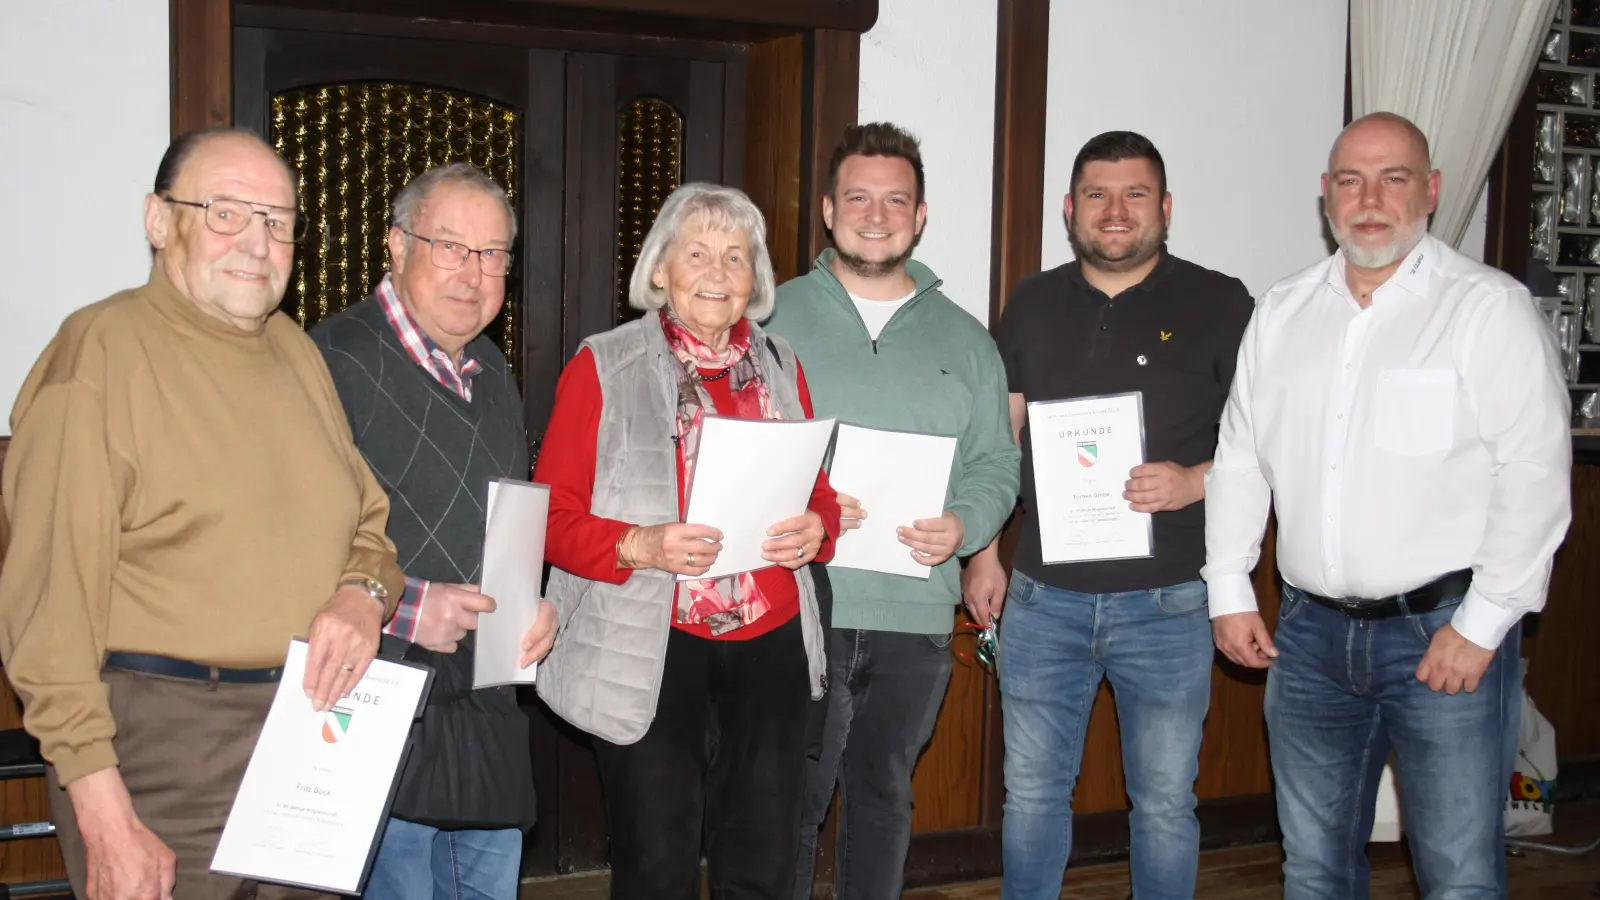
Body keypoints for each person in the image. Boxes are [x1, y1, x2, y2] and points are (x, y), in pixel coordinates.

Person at [0, 127, 406, 900]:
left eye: (279, 220)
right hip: (161, 748)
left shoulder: (295, 352)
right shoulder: (98, 356)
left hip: (307, 734)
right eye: (226, 213)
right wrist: (104, 812)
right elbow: (47, 618)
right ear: (159, 221)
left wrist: (362, 595)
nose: (258, 242)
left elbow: (368, 523)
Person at [1205, 112, 1572, 899]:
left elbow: (1536, 476)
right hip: (1306, 642)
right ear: (1326, 196)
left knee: (1458, 875)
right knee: (1313, 867)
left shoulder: (1487, 308)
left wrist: (1479, 628)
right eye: (1350, 180)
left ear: (1431, 190)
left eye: (1394, 178)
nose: (1370, 198)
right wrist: (1229, 591)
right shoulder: (1282, 312)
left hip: (1443, 640)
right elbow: (1240, 458)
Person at [966, 130, 1254, 900]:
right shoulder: (1030, 301)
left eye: (1135, 194)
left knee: (1163, 805)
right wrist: (984, 552)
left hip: (1169, 602)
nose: (1116, 210)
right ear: (1070, 209)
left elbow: (1275, 445)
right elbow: (1003, 437)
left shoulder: (1222, 303)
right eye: (1097, 194)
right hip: (1042, 599)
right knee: (1030, 799)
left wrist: (1197, 479)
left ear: (1165, 207)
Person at [532, 182, 841, 900]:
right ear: (661, 270)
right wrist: (640, 544)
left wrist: (817, 527)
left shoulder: (781, 363)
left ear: (755, 280)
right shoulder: (602, 365)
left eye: (736, 257)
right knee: (656, 866)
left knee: (761, 862)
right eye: (697, 253)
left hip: (771, 638)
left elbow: (816, 486)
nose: (717, 272)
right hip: (651, 643)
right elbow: (551, 519)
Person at [765, 122, 1021, 900]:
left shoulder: (967, 340)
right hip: (800, 601)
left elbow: (995, 462)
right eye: (859, 198)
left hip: (915, 611)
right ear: (828, 210)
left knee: (885, 798)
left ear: (920, 216)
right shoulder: (771, 317)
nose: (876, 215)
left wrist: (967, 528)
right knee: (790, 803)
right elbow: (733, 444)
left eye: (895, 201)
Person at [310, 162, 558, 900]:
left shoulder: (490, 369)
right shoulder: (332, 359)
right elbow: (291, 540)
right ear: (395, 244)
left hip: (483, 709)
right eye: (449, 246)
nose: (472, 273)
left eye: (492, 255)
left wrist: (530, 603)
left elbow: (502, 528)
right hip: (378, 707)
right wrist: (408, 602)